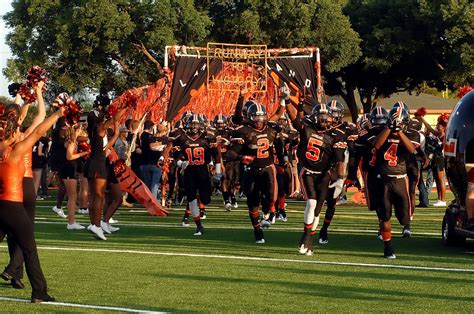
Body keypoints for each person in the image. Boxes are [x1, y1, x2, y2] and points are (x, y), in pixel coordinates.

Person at [0, 102, 64, 303]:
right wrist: (57, 114)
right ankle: (39, 291)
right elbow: (37, 133)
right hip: (12, 206)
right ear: (11, 133)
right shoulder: (14, 151)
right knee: (29, 248)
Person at [286, 102, 346, 256]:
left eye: (327, 117)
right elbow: (294, 119)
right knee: (311, 202)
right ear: (314, 117)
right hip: (307, 171)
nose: (324, 120)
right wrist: (286, 102)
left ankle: (309, 240)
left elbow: (339, 159)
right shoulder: (307, 127)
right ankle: (306, 237)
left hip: (324, 174)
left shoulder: (336, 135)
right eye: (321, 117)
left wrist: (340, 179)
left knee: (317, 210)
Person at [374, 105, 420, 259]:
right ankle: (388, 246)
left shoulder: (411, 134)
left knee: (404, 218)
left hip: (401, 179)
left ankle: (406, 226)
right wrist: (389, 128)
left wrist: (399, 131)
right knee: (385, 216)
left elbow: (412, 149)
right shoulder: (382, 131)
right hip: (384, 180)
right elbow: (377, 145)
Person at [164, 114, 221, 235]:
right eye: (192, 124)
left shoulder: (207, 137)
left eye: (196, 124)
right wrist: (181, 164)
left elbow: (217, 154)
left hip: (203, 170)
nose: (194, 127)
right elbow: (174, 157)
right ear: (186, 125)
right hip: (189, 171)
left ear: (201, 126)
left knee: (206, 199)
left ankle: (200, 212)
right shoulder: (182, 138)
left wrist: (218, 171)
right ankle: (199, 226)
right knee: (191, 198)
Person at [85, 95, 127, 240]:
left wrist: (116, 124)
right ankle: (96, 226)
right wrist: (127, 105)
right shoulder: (99, 128)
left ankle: (94, 224)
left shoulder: (97, 131)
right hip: (98, 164)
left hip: (95, 162)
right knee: (99, 197)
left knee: (95, 196)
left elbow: (114, 136)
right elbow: (114, 119)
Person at [416, 114, 448, 207]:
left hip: (440, 158)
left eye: (439, 126)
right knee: (437, 179)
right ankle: (439, 199)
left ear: (444, 127)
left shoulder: (444, 135)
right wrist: (422, 119)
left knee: (441, 179)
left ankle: (443, 200)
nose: (437, 127)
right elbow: (429, 128)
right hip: (435, 158)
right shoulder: (438, 134)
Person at [62, 125, 89, 230]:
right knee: (72, 197)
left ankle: (72, 221)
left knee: (72, 197)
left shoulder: (72, 140)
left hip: (71, 169)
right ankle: (71, 222)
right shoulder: (71, 141)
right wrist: (82, 154)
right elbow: (69, 156)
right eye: (79, 130)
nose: (81, 131)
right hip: (68, 169)